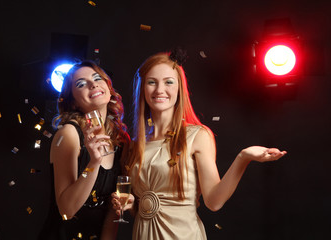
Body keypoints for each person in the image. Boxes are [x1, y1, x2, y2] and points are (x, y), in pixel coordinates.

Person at [111, 51, 287, 240]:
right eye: (152, 82)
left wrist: (243, 158)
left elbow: (214, 202)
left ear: (180, 88)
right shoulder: (133, 145)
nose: (159, 90)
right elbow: (139, 205)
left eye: (168, 82)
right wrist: (130, 203)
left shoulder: (197, 136)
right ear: (142, 88)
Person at [38, 60, 130, 240]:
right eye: (81, 84)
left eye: (97, 78)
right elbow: (67, 210)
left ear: (109, 89)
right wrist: (94, 163)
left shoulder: (120, 141)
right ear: (73, 103)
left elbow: (114, 211)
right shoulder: (69, 135)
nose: (92, 84)